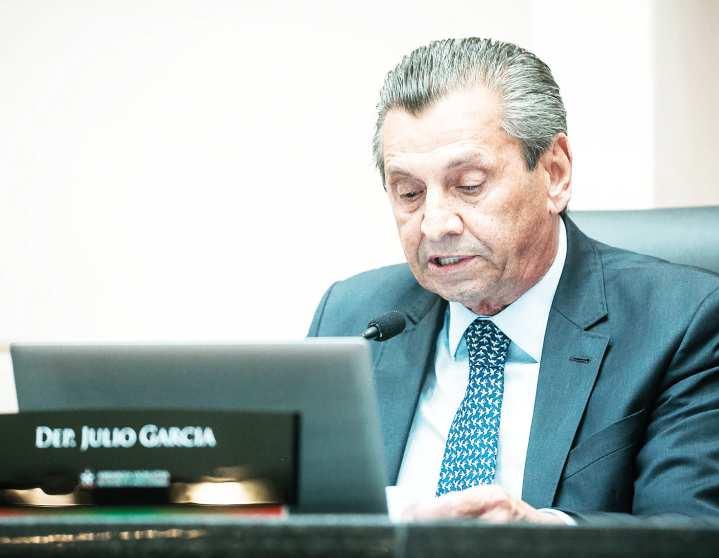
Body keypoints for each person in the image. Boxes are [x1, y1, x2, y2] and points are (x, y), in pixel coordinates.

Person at [308, 38, 719, 523]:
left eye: (469, 185)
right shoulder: (353, 317)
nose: (435, 224)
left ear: (555, 173)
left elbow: (690, 532)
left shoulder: (681, 323)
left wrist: (536, 537)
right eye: (409, 193)